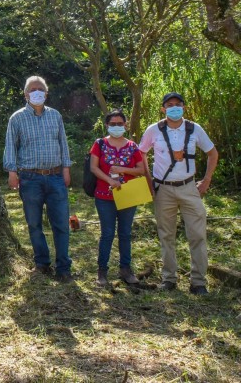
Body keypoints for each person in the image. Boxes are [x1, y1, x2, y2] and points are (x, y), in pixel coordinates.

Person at [138, 92, 218, 295]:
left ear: (184, 107)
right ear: (163, 109)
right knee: (166, 235)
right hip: (163, 188)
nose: (174, 108)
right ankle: (169, 279)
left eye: (178, 104)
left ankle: (198, 282)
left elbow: (212, 153)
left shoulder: (193, 128)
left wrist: (206, 180)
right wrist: (148, 181)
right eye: (170, 105)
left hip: (189, 187)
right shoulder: (153, 130)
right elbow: (141, 153)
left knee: (197, 234)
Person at [4, 75, 74, 282]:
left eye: (40, 89)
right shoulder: (16, 118)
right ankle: (42, 263)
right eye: (32, 89)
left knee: (61, 223)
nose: (36, 92)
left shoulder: (55, 116)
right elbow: (10, 146)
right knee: (34, 224)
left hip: (55, 177)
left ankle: (63, 267)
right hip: (29, 178)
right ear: (26, 94)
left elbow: (63, 143)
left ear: (46, 92)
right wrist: (12, 172)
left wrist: (66, 169)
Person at [89, 110, 146, 287]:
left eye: (120, 123)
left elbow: (141, 170)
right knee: (107, 234)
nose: (116, 127)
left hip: (128, 194)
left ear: (125, 125)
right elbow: (94, 167)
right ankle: (102, 272)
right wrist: (109, 180)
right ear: (107, 126)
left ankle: (125, 270)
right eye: (112, 124)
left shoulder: (132, 146)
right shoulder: (99, 144)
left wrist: (122, 169)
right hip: (104, 196)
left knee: (125, 233)